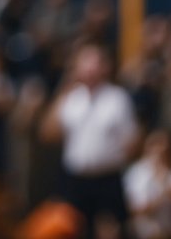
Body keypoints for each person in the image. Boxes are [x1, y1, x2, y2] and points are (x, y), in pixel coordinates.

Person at [42, 43, 140, 239]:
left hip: (107, 179)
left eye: (95, 62)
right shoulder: (71, 98)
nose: (90, 68)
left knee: (111, 232)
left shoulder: (117, 98)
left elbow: (132, 142)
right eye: (85, 62)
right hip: (75, 180)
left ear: (105, 67)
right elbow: (48, 133)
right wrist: (64, 90)